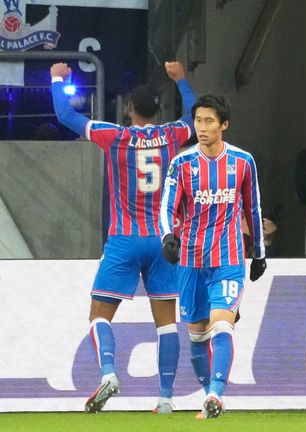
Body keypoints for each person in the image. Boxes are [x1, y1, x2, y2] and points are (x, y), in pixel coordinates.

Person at [50, 61, 195, 414]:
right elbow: (194, 116)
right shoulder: (172, 135)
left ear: (129, 109)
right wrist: (181, 81)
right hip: (163, 240)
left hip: (124, 239)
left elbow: (65, 115)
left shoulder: (114, 136)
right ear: (157, 111)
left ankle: (109, 373)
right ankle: (165, 399)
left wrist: (56, 79)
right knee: (167, 323)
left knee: (99, 315)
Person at [159, 94, 267, 419]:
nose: (202, 127)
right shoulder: (182, 164)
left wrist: (259, 252)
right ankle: (209, 396)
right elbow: (166, 206)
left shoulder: (243, 161)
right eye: (198, 121)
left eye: (209, 121)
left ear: (224, 124)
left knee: (222, 323)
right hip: (191, 261)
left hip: (228, 259)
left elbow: (253, 207)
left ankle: (217, 394)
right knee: (196, 333)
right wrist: (167, 236)